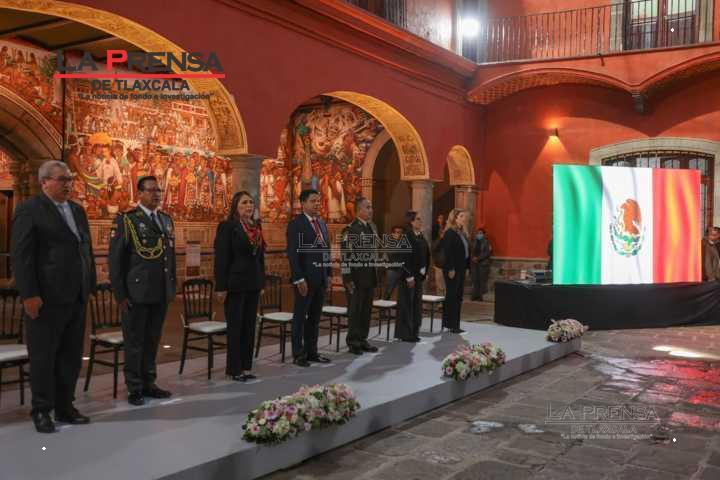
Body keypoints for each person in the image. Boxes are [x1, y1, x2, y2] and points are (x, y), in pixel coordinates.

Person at [11, 160, 96, 433]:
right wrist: (29, 295)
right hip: (46, 298)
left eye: (70, 179)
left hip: (76, 296)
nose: (68, 184)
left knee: (70, 356)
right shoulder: (30, 209)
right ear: (44, 182)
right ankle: (41, 410)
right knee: (43, 357)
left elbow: (85, 250)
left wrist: (90, 285)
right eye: (62, 179)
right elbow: (22, 256)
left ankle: (64, 406)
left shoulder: (77, 210)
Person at [109, 176, 176, 406]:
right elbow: (116, 261)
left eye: (159, 190)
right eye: (151, 190)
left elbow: (169, 258)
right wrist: (120, 294)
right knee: (135, 342)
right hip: (136, 292)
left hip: (159, 291)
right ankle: (134, 387)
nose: (156, 194)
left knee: (152, 340)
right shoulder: (127, 220)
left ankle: (149, 382)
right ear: (139, 193)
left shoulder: (165, 220)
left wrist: (170, 286)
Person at [214, 191, 265, 380]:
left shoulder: (256, 226)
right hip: (235, 284)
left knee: (250, 326)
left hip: (253, 283)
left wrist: (262, 281)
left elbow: (260, 257)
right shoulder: (228, 227)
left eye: (251, 202)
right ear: (236, 206)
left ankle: (246, 367)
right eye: (244, 203)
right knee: (236, 327)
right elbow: (221, 258)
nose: (249, 206)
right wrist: (221, 286)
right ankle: (234, 369)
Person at [286, 189, 332, 367]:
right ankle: (298, 354)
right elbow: (293, 253)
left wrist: (328, 274)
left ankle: (312, 352)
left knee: (315, 318)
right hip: (304, 279)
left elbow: (326, 250)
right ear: (303, 203)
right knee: (300, 317)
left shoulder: (321, 223)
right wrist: (298, 279)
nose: (317, 204)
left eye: (319, 201)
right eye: (313, 201)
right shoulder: (296, 224)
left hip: (320, 278)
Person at [342, 197, 379, 355]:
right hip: (356, 278)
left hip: (368, 276)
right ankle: (353, 342)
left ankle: (362, 339)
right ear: (358, 210)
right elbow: (346, 256)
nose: (371, 210)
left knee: (365, 310)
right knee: (355, 311)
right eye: (367, 207)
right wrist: (347, 279)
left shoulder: (370, 227)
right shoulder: (351, 229)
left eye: (371, 207)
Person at [395, 211, 429, 342]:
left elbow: (425, 254)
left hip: (418, 276)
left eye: (420, 219)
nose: (420, 221)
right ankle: (405, 334)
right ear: (411, 222)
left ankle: (414, 332)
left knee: (416, 305)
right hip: (408, 277)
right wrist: (409, 277)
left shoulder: (420, 236)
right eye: (418, 219)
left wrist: (424, 271)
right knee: (407, 305)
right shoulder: (406, 236)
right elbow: (403, 258)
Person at [441, 208, 470, 333]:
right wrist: (451, 268)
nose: (464, 218)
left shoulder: (461, 233)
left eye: (464, 216)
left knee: (458, 296)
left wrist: (467, 267)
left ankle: (455, 324)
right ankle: (450, 324)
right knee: (452, 296)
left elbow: (466, 251)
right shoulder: (450, 233)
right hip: (452, 269)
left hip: (461, 268)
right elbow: (448, 252)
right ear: (455, 218)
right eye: (461, 216)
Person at [383, 226, 406, 300]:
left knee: (402, 292)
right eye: (397, 232)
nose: (399, 234)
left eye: (401, 232)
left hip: (402, 270)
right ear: (392, 234)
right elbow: (391, 252)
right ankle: (384, 304)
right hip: (392, 269)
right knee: (389, 290)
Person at [471, 228, 492, 301]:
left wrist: (478, 258)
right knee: (475, 280)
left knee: (482, 280)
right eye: (478, 233)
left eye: (480, 233)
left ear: (483, 234)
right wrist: (473, 258)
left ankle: (481, 296)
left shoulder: (487, 242)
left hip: (483, 264)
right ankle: (475, 295)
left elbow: (487, 253)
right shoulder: (474, 242)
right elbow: (471, 251)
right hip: (475, 264)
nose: (479, 235)